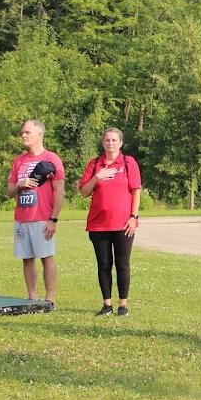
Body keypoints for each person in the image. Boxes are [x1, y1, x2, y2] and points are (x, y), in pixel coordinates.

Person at [77, 127, 142, 317]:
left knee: (122, 264)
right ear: (102, 142)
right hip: (99, 224)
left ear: (120, 143)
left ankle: (123, 305)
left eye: (114, 140)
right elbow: (83, 192)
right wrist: (97, 177)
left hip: (123, 224)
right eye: (107, 140)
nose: (110, 143)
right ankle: (107, 305)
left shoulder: (128, 163)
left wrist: (134, 217)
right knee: (104, 264)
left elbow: (136, 190)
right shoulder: (95, 164)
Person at [5, 120, 66, 309]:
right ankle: (32, 298)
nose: (23, 135)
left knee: (47, 257)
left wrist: (53, 219)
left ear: (39, 134)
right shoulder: (19, 161)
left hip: (42, 218)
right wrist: (19, 185)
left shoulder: (51, 159)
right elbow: (8, 193)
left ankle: (49, 299)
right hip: (22, 218)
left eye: (27, 132)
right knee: (27, 259)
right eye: (22, 132)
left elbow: (60, 191)